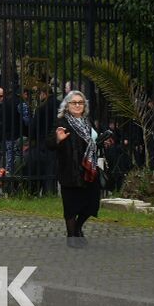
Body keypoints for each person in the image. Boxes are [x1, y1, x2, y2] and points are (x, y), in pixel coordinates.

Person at [54, 90, 102, 246]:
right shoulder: (62, 122)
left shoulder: (87, 122)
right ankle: (72, 236)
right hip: (70, 170)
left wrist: (102, 141)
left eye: (80, 102)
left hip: (89, 169)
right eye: (74, 102)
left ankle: (78, 228)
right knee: (71, 205)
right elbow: (48, 143)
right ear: (67, 105)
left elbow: (92, 141)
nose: (77, 105)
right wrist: (58, 139)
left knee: (91, 204)